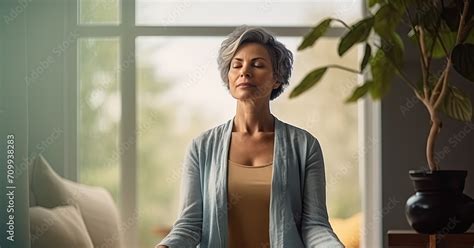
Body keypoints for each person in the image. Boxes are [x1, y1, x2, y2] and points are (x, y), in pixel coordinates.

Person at [156, 25, 344, 248]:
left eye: (257, 65)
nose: (245, 71)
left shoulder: (305, 146)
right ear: (229, 77)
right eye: (237, 65)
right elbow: (189, 225)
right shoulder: (201, 148)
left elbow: (314, 225)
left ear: (277, 79)